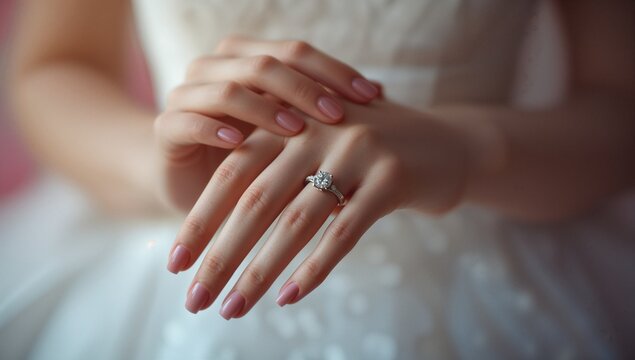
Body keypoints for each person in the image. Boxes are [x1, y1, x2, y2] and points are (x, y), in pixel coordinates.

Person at [3, 0, 634, 358]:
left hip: (500, 245)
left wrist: (465, 148)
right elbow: (58, 65)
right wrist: (153, 163)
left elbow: (619, 109)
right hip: (167, 263)